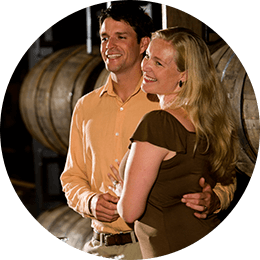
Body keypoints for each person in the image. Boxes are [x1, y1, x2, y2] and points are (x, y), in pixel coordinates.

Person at [60, 2, 236, 259]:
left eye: (121, 37)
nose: (110, 46)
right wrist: (90, 202)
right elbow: (71, 177)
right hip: (99, 243)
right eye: (104, 38)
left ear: (143, 44)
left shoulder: (166, 108)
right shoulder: (86, 106)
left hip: (149, 243)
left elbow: (224, 174)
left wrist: (216, 199)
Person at [107, 27, 238, 258]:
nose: (145, 66)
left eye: (158, 63)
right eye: (147, 56)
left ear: (183, 75)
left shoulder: (159, 123)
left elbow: (129, 212)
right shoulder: (206, 121)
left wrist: (121, 189)